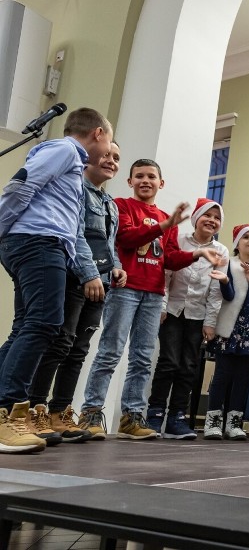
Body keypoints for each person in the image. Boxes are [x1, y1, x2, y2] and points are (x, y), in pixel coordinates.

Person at [78, 159, 221, 440]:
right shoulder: (122, 206)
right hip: (125, 289)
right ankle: (91, 412)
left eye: (151, 176)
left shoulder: (166, 218)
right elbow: (128, 238)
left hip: (154, 294)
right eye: (139, 176)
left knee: (143, 359)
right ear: (130, 181)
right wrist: (164, 224)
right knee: (110, 352)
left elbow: (168, 258)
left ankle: (132, 416)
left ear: (161, 183)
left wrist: (197, 254)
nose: (145, 180)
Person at [0, 107, 112, 454]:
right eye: (108, 141)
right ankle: (6, 414)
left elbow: (70, 224)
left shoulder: (74, 167)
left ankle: (5, 408)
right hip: (37, 241)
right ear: (97, 133)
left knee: (26, 327)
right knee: (45, 324)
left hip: (42, 243)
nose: (108, 150)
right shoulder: (64, 150)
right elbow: (20, 187)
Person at [27, 141, 125, 443]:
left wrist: (116, 267)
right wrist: (89, 274)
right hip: (77, 277)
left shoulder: (111, 204)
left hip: (101, 282)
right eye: (106, 154)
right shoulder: (77, 190)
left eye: (117, 158)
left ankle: (60, 411)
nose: (110, 161)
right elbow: (77, 234)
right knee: (59, 343)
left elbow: (108, 244)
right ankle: (35, 410)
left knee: (78, 349)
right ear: (91, 157)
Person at [145, 198, 228, 440]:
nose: (211, 220)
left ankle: (177, 418)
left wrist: (210, 322)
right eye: (207, 215)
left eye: (217, 217)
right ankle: (155, 414)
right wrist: (161, 306)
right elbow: (167, 274)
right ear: (196, 218)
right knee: (168, 362)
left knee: (188, 367)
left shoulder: (221, 251)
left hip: (197, 316)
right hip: (172, 311)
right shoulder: (179, 240)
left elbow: (215, 290)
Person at [204, 225, 249, 440]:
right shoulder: (230, 264)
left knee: (243, 378)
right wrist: (225, 281)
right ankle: (213, 421)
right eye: (246, 237)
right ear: (237, 243)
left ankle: (234, 422)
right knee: (222, 376)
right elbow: (227, 296)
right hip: (230, 329)